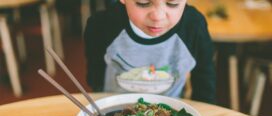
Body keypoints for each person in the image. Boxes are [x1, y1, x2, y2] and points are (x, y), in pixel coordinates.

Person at [84, 0, 216, 104]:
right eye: (143, 3)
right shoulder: (101, 25)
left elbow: (205, 78)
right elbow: (95, 74)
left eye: (172, 3)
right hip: (114, 109)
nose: (158, 17)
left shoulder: (194, 27)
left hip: (171, 112)